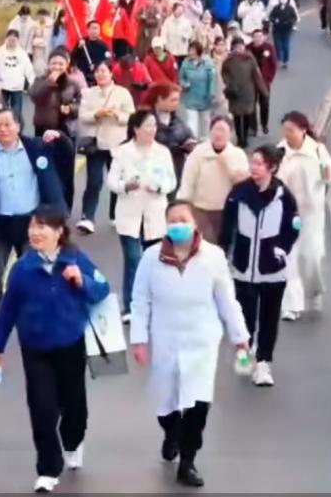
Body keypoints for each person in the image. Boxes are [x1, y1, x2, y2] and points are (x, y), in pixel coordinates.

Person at [0, 206, 111, 494]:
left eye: (42, 227)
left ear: (59, 232)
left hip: (70, 344)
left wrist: (82, 281)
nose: (34, 232)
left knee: (74, 407)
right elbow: (8, 309)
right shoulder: (22, 269)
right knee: (42, 409)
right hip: (35, 349)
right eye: (32, 226)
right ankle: (47, 469)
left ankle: (73, 442)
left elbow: (102, 289)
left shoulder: (76, 259)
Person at [130, 200, 250, 488]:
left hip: (202, 342)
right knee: (166, 405)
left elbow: (227, 300)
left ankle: (187, 462)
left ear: (195, 223)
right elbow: (140, 300)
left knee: (198, 405)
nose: (178, 225)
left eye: (183, 219)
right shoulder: (151, 258)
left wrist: (240, 338)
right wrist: (139, 339)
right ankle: (171, 433)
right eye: (172, 220)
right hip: (167, 340)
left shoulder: (213, 257)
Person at [0, 109, 67, 334]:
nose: (3, 129)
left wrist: (60, 139)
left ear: (18, 126)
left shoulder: (35, 147)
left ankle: (36, 313)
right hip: (0, 223)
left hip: (30, 223)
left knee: (33, 271)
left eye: (8, 124)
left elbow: (65, 157)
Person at [220, 146, 300, 387]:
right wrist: (223, 253)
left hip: (273, 269)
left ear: (271, 167)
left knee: (269, 319)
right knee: (244, 317)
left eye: (259, 163)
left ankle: (264, 363)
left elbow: (294, 226)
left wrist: (282, 249)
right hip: (243, 268)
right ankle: (246, 353)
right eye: (252, 162)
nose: (253, 168)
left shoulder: (284, 196)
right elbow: (227, 226)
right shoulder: (238, 193)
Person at [107, 109, 176, 317]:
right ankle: (130, 305)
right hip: (129, 214)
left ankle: (153, 303)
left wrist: (160, 187)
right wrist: (126, 186)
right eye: (147, 126)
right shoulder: (122, 152)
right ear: (136, 129)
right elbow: (111, 181)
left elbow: (172, 181)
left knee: (154, 261)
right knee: (133, 260)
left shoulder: (162, 152)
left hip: (155, 214)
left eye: (154, 125)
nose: (152, 130)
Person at [277, 112, 331, 321]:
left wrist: (329, 175)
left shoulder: (317, 150)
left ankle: (314, 290)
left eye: (291, 130)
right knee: (290, 259)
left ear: (303, 130)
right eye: (285, 130)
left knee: (311, 257)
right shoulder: (280, 152)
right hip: (287, 214)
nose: (288, 134)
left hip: (312, 214)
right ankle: (291, 305)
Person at [77, 60, 136, 234]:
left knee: (116, 181)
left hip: (117, 143)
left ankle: (115, 215)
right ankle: (87, 217)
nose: (100, 74)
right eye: (97, 71)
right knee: (94, 181)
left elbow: (132, 117)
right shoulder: (89, 93)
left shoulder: (122, 93)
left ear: (111, 73)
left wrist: (117, 115)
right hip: (95, 144)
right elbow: (83, 116)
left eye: (103, 71)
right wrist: (97, 114)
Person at [177, 116, 249, 246]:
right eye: (216, 129)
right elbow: (188, 180)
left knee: (224, 247)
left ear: (230, 134)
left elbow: (243, 183)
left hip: (227, 210)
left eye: (223, 130)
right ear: (210, 131)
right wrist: (183, 204)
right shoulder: (199, 153)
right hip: (201, 210)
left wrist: (226, 162)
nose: (219, 134)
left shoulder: (237, 154)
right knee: (205, 246)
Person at [30, 50, 83, 214]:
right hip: (43, 129)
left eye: (61, 63)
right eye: (54, 63)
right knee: (43, 168)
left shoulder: (73, 84)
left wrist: (71, 109)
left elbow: (81, 105)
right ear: (48, 64)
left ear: (67, 65)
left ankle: (65, 209)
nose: (57, 67)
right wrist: (48, 82)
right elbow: (34, 96)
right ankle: (44, 205)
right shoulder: (40, 81)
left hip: (66, 131)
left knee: (66, 171)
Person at [220, 38, 267, 147]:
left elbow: (256, 75)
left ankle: (245, 138)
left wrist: (264, 91)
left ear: (244, 47)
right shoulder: (228, 61)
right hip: (234, 92)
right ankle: (239, 137)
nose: (239, 49)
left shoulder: (250, 59)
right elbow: (224, 74)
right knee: (236, 117)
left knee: (246, 116)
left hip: (248, 92)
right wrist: (229, 84)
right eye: (236, 47)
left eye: (241, 46)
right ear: (232, 48)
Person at [149, 82, 196, 180]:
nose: (176, 103)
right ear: (160, 99)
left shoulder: (179, 120)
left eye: (177, 100)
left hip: (176, 170)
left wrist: (190, 144)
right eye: (173, 100)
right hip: (153, 170)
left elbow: (190, 137)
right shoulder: (145, 120)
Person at [0, 29, 37, 123]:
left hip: (17, 86)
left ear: (17, 40)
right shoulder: (0, 52)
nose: (11, 42)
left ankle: (16, 125)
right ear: (6, 39)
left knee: (16, 110)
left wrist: (32, 82)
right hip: (3, 86)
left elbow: (28, 69)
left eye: (14, 40)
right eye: (10, 40)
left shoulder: (22, 53)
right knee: (2, 108)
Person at [178, 42, 216, 138]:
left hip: (205, 97)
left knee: (206, 122)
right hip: (190, 98)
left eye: (193, 50)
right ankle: (193, 141)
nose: (191, 53)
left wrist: (211, 93)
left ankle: (206, 140)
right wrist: (184, 84)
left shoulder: (208, 63)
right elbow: (181, 78)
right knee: (192, 122)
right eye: (189, 50)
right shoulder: (185, 64)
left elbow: (212, 79)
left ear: (199, 51)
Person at [246, 30, 278, 136]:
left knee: (264, 104)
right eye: (256, 36)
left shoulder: (269, 48)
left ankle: (264, 124)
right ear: (252, 38)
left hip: (264, 81)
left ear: (263, 37)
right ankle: (253, 127)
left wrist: (269, 79)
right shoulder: (248, 48)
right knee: (251, 104)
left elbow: (273, 64)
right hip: (251, 81)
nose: (258, 39)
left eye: (260, 36)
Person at [268, 0, 299, 69]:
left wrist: (289, 22)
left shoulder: (290, 8)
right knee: (278, 45)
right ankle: (279, 59)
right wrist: (274, 20)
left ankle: (285, 60)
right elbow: (271, 16)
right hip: (277, 29)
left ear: (287, 0)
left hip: (286, 29)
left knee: (285, 46)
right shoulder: (276, 8)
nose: (283, 0)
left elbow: (294, 17)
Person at [160, 1, 195, 65]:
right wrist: (164, 44)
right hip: (171, 49)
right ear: (174, 10)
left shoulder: (186, 21)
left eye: (181, 10)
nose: (180, 12)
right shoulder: (168, 21)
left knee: (181, 66)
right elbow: (163, 34)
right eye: (178, 10)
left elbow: (190, 32)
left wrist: (185, 36)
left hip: (182, 49)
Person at [31, 8, 53, 75]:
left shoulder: (51, 25)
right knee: (37, 65)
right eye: (40, 16)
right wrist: (36, 41)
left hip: (47, 49)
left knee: (47, 64)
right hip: (37, 49)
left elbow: (50, 38)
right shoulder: (35, 25)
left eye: (43, 16)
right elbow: (32, 37)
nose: (41, 18)